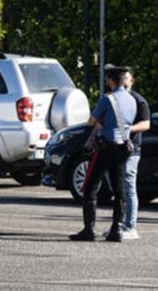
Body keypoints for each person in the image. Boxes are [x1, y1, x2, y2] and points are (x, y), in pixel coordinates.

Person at [70, 66, 137, 242]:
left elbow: (91, 121)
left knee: (90, 186)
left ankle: (89, 229)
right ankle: (117, 229)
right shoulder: (132, 100)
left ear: (112, 81)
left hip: (106, 147)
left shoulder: (108, 100)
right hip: (124, 147)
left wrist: (101, 125)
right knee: (119, 188)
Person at [120, 69, 150, 239]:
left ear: (133, 81)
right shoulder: (115, 99)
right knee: (118, 187)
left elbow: (145, 124)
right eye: (121, 80)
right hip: (116, 148)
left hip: (132, 149)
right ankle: (119, 224)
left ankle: (131, 227)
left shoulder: (139, 101)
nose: (124, 83)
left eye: (127, 80)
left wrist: (127, 129)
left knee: (129, 185)